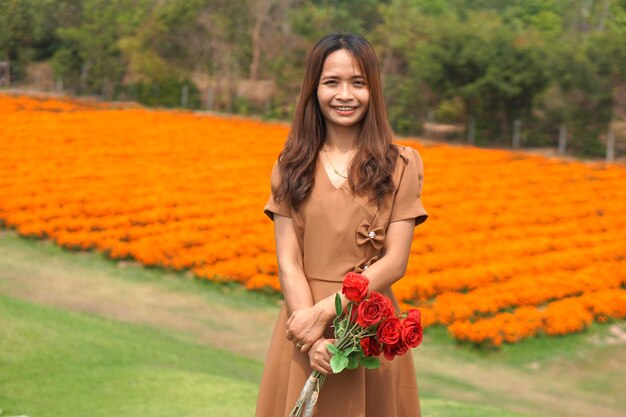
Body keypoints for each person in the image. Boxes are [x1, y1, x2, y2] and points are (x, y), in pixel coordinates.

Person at [255, 33, 429, 417]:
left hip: (369, 329)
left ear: (373, 90)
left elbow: (395, 262)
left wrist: (324, 312)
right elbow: (289, 262)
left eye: (358, 83)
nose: (345, 95)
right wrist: (310, 334)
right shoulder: (290, 165)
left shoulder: (402, 164)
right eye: (331, 82)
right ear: (313, 89)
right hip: (301, 328)